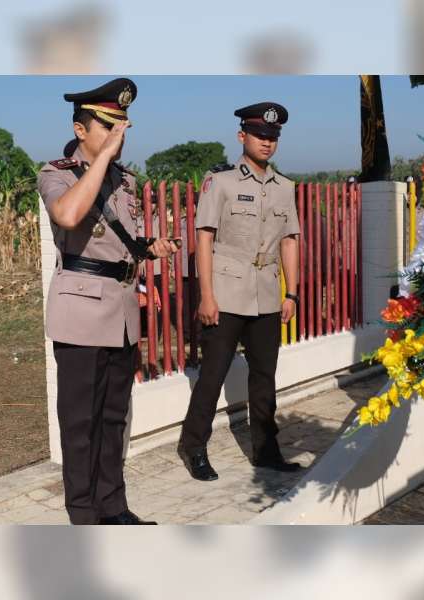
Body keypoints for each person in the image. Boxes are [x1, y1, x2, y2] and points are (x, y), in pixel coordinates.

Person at [37, 78, 179, 524]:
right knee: (80, 425)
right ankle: (83, 515)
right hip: (79, 310)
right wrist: (100, 161)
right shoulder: (56, 172)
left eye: (122, 126)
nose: (118, 134)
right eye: (107, 125)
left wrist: (147, 246)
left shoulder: (125, 179)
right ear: (81, 130)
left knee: (114, 417)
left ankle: (113, 507)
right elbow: (70, 216)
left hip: (120, 311)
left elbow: (116, 239)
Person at [177, 102, 302, 481]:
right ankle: (193, 445)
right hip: (227, 294)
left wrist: (291, 293)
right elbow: (204, 237)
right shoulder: (222, 182)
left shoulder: (285, 188)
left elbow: (290, 241)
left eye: (273, 136)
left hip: (267, 294)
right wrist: (207, 296)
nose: (267, 142)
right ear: (242, 136)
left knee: (264, 377)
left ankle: (266, 450)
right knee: (213, 376)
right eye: (260, 135)